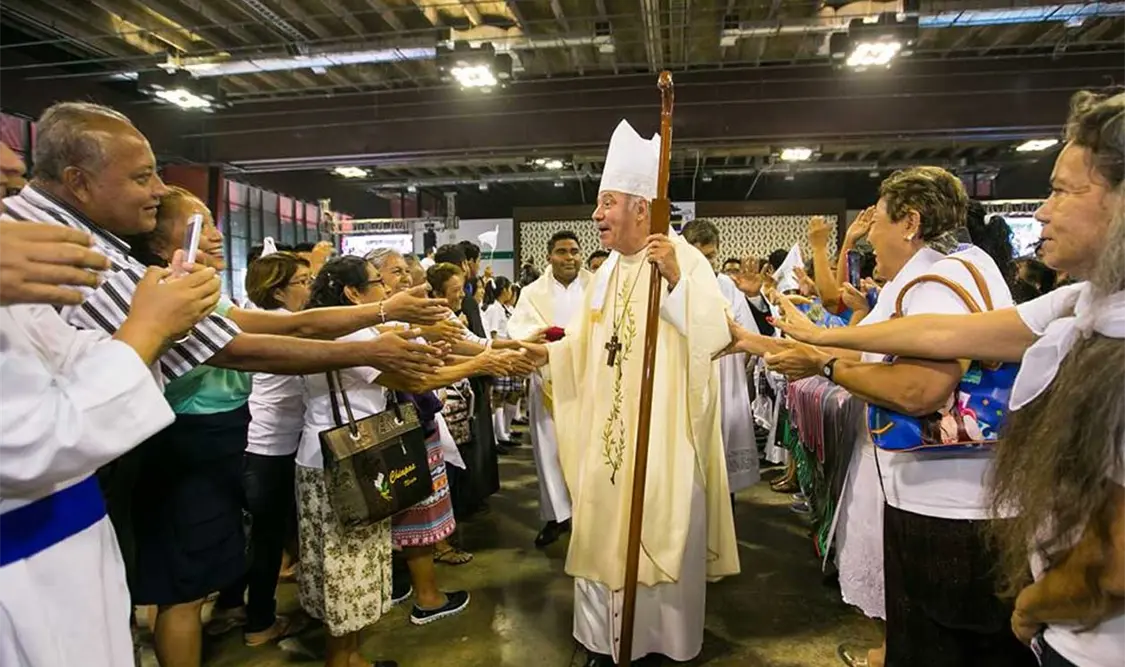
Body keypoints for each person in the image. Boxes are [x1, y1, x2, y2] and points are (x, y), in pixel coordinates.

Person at [774, 90, 1125, 667]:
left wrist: (1037, 603)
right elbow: (950, 334)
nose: (1041, 210)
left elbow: (1112, 558)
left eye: (1063, 190)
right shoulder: (1084, 300)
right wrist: (826, 340)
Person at [736, 166, 1031, 667]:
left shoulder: (940, 280)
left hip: (952, 505)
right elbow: (862, 355)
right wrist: (760, 342)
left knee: (942, 644)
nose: (871, 233)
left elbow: (920, 389)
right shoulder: (927, 274)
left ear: (910, 222)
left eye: (878, 219)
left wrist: (823, 362)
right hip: (935, 496)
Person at [521, 120, 739, 666]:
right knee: (602, 532)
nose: (597, 216)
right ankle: (602, 643)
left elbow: (715, 337)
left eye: (607, 203)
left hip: (665, 439)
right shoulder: (610, 269)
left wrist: (676, 287)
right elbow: (583, 341)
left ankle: (662, 645)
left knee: (661, 530)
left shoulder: (684, 260)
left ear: (643, 208)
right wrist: (544, 352)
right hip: (610, 439)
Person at [0, 147, 221, 667]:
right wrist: (148, 329)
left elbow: (77, 360)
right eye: (8, 195)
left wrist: (154, 325)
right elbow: (34, 442)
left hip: (73, 541)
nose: (156, 191)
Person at [507, 229, 592, 548]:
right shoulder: (532, 292)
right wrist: (544, 333)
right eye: (562, 251)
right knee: (550, 451)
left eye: (574, 251)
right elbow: (517, 328)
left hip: (589, 381)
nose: (569, 257)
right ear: (549, 256)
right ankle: (557, 517)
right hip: (549, 380)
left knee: (589, 451)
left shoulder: (597, 286)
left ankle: (589, 515)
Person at [680, 220, 760, 497]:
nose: (706, 262)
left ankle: (726, 500)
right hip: (684, 374)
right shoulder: (672, 283)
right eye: (699, 255)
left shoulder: (725, 283)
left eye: (711, 256)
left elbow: (747, 332)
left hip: (723, 372)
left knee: (722, 443)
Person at [482, 276, 523, 448]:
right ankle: (499, 435)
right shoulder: (493, 309)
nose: (510, 292)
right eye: (508, 288)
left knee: (511, 394)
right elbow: (493, 335)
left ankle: (504, 431)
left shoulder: (504, 308)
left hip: (510, 353)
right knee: (498, 397)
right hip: (501, 354)